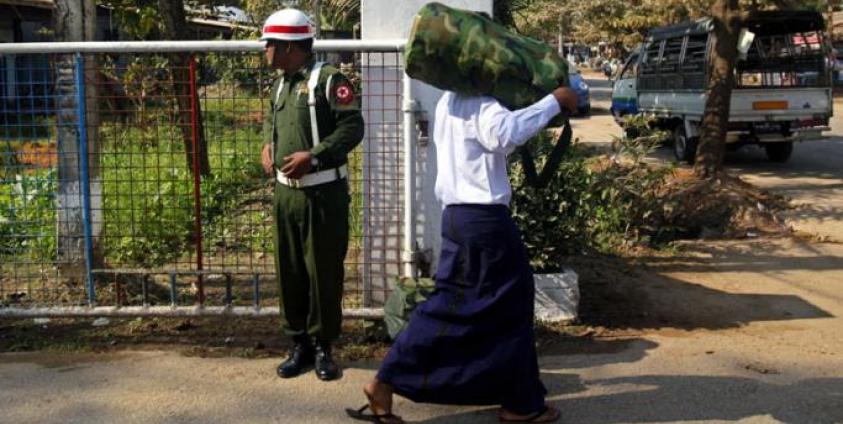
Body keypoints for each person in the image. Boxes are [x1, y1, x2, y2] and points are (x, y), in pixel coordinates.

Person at [348, 86, 578, 423]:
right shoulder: (483, 105)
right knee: (505, 304)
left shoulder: (449, 101)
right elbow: (507, 133)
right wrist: (553, 102)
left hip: (456, 217)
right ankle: (519, 404)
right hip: (484, 221)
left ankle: (392, 380)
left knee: (463, 302)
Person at [259, 8, 364, 381]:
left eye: (270, 44)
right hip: (286, 196)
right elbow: (275, 121)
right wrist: (268, 147)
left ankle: (323, 347)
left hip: (322, 195)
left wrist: (314, 156)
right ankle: (298, 343)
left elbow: (353, 127)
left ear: (290, 46)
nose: (266, 51)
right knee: (289, 271)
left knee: (322, 272)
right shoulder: (281, 84)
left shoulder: (329, 80)